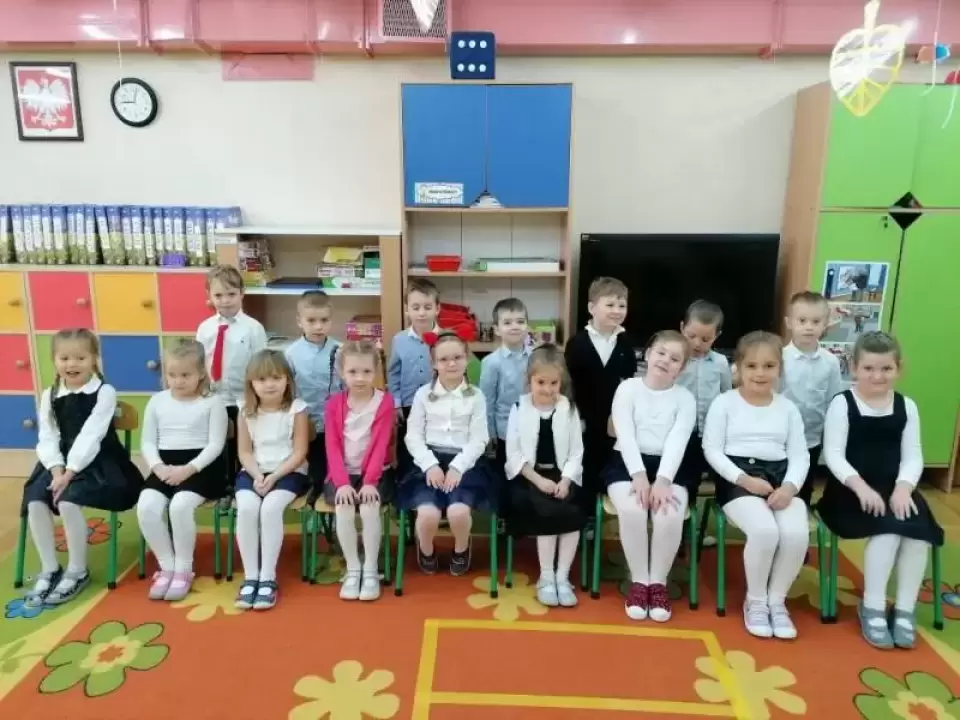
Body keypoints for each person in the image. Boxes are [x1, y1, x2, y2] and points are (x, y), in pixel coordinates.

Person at [818, 331, 942, 649]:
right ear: (854, 368)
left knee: (917, 536)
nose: (878, 376)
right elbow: (834, 455)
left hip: (895, 488)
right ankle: (872, 606)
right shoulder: (842, 404)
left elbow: (913, 456)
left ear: (898, 368)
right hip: (849, 492)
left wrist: (903, 488)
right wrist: (860, 487)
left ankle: (904, 609)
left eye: (886, 368)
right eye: (869, 368)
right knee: (887, 532)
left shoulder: (906, 406)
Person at [21, 329, 142, 607]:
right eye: (64, 358)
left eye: (80, 358)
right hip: (58, 462)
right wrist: (56, 469)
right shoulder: (50, 394)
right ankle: (50, 568)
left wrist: (70, 473)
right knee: (35, 500)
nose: (71, 364)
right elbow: (48, 435)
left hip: (99, 461)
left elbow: (92, 435)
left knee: (67, 500)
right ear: (54, 360)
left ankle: (77, 570)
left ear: (94, 359)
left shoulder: (104, 392)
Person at [702, 331, 809, 640]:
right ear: (738, 367)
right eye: (751, 366)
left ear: (780, 369)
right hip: (737, 477)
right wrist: (744, 479)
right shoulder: (724, 403)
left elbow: (800, 455)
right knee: (765, 531)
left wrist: (789, 487)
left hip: (780, 478)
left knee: (796, 533)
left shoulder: (787, 408)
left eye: (769, 366)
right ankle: (757, 601)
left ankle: (777, 601)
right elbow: (712, 450)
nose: (760, 373)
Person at [603, 330, 697, 622]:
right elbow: (625, 434)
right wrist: (639, 475)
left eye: (675, 359)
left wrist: (664, 480)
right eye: (661, 353)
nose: (665, 361)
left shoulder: (685, 398)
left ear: (682, 368)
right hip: (627, 463)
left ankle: (658, 583)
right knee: (634, 509)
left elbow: (678, 441)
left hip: (671, 467)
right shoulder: (627, 389)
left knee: (668, 513)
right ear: (648, 353)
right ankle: (639, 582)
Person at [137, 340, 228, 601]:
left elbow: (215, 444)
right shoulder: (157, 401)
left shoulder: (213, 402)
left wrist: (188, 470)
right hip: (164, 466)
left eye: (185, 375)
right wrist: (157, 467)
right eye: (172, 374)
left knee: (179, 506)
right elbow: (147, 442)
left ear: (201, 373)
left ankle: (184, 569)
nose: (178, 381)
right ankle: (167, 565)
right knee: (146, 506)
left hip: (202, 468)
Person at [401, 331, 489, 576]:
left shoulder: (476, 396)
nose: (451, 364)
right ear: (434, 363)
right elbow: (413, 436)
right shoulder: (422, 395)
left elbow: (480, 438)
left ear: (467, 359)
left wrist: (458, 466)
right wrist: (430, 465)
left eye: (457, 357)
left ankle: (461, 548)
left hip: (465, 462)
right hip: (427, 461)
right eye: (444, 359)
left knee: (458, 512)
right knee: (427, 514)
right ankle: (426, 549)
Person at [503, 344, 585, 607]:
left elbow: (576, 452)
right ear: (530, 380)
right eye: (541, 382)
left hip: (562, 476)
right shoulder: (519, 407)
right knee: (548, 512)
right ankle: (546, 576)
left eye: (553, 383)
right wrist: (538, 480)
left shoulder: (568, 408)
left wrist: (566, 480)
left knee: (572, 511)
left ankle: (563, 577)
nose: (547, 389)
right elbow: (513, 454)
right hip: (529, 477)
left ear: (561, 382)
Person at [234, 350, 310, 610]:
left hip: (289, 472)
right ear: (251, 383)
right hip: (254, 471)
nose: (270, 384)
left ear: (287, 380)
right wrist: (257, 475)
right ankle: (250, 576)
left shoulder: (297, 409)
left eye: (276, 378)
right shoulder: (245, 411)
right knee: (246, 508)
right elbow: (244, 452)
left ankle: (268, 577)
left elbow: (299, 452)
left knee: (270, 508)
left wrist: (275, 475)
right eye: (262, 379)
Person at [323, 341, 395, 602]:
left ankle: (371, 569)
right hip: (341, 474)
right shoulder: (334, 404)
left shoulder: (385, 402)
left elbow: (381, 444)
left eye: (366, 371)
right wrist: (342, 483)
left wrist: (370, 482)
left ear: (376, 371)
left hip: (376, 473)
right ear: (342, 373)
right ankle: (353, 568)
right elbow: (331, 445)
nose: (360, 378)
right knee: (343, 507)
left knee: (368, 507)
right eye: (353, 372)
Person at [565, 277, 637, 506]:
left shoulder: (626, 344)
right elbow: (569, 384)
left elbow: (629, 384)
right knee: (584, 469)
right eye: (610, 304)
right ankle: (583, 516)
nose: (617, 310)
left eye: (622, 305)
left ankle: (605, 516)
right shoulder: (577, 343)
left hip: (614, 422)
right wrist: (575, 417)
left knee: (610, 468)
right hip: (583, 420)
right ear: (592, 308)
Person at [196, 264, 267, 476]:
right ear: (209, 295)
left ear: (242, 293)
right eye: (218, 295)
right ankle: (221, 482)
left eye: (231, 294)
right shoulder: (205, 328)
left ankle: (241, 480)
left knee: (242, 444)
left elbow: (261, 365)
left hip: (243, 398)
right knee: (217, 443)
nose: (225, 300)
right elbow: (200, 361)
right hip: (214, 397)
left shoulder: (253, 328)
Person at [780, 291, 843, 506]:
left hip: (811, 439)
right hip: (780, 439)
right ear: (789, 323)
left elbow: (834, 401)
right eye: (802, 320)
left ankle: (801, 516)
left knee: (804, 485)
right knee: (780, 483)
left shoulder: (831, 362)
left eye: (816, 322)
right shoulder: (779, 358)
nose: (809, 327)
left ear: (825, 325)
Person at [285, 291, 341, 496]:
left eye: (324, 320)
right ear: (299, 321)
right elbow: (288, 391)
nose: (318, 326)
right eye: (311, 321)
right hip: (305, 425)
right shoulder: (291, 354)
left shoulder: (340, 351)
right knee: (311, 471)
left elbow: (346, 387)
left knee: (332, 470)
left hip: (335, 423)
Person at [677, 300, 732, 495]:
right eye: (691, 336)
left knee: (706, 474)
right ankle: (685, 507)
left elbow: (727, 396)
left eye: (705, 339)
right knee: (683, 477)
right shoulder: (675, 359)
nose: (697, 343)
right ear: (682, 328)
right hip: (681, 430)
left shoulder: (720, 363)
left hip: (710, 431)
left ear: (717, 336)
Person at [387, 278, 441, 472]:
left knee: (434, 445)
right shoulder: (399, 340)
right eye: (415, 307)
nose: (421, 313)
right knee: (407, 447)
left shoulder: (445, 339)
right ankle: (406, 479)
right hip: (408, 404)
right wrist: (396, 403)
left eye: (427, 307)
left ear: (437, 308)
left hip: (438, 404)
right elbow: (394, 373)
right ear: (407, 310)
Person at [479, 297, 531, 465]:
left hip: (533, 428)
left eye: (520, 321)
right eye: (507, 322)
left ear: (527, 326)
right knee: (505, 472)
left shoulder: (536, 358)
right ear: (497, 329)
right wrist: (490, 433)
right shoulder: (491, 362)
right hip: (504, 431)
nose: (515, 326)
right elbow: (487, 401)